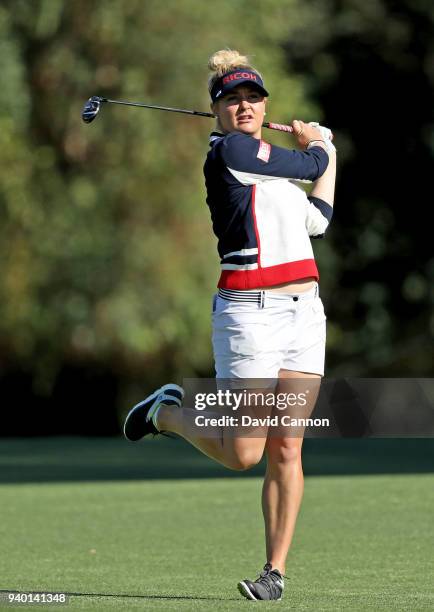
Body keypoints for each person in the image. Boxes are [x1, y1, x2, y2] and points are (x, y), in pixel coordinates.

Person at [124, 49, 336, 601]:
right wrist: (318, 146)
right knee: (245, 452)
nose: (243, 107)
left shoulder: (268, 171)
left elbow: (320, 217)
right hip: (250, 315)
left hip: (304, 315)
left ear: (266, 106)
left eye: (252, 99)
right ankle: (167, 413)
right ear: (217, 111)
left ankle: (275, 573)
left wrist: (326, 150)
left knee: (287, 446)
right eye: (232, 100)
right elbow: (310, 167)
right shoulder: (233, 153)